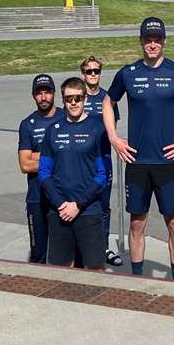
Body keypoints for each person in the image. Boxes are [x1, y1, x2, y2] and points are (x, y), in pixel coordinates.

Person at [103, 17, 174, 280]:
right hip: (137, 162)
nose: (152, 44)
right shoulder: (128, 73)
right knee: (136, 223)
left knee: (173, 223)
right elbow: (108, 102)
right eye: (148, 39)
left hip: (168, 163)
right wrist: (114, 138)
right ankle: (138, 278)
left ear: (164, 40)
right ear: (141, 41)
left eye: (157, 39)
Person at [38, 77, 110, 269]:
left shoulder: (98, 129)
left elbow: (102, 174)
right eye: (68, 99)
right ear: (63, 100)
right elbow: (44, 172)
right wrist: (61, 204)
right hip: (59, 211)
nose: (73, 103)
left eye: (77, 98)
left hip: (88, 210)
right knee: (61, 270)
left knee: (95, 269)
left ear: (85, 98)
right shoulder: (52, 131)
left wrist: (78, 205)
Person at [80, 56, 123, 267]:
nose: (93, 74)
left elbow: (113, 130)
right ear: (83, 74)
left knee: (103, 205)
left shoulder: (108, 98)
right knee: (82, 201)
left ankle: (102, 246)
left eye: (96, 71)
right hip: (83, 161)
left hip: (103, 159)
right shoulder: (78, 98)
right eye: (89, 71)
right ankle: (82, 246)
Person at [18, 74, 65, 263]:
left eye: (47, 92)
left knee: (64, 252)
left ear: (54, 93)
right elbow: (25, 164)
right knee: (38, 254)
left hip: (63, 195)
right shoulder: (27, 124)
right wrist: (56, 157)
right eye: (39, 93)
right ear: (33, 96)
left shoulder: (66, 117)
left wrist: (38, 155)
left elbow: (73, 156)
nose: (43, 97)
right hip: (36, 197)